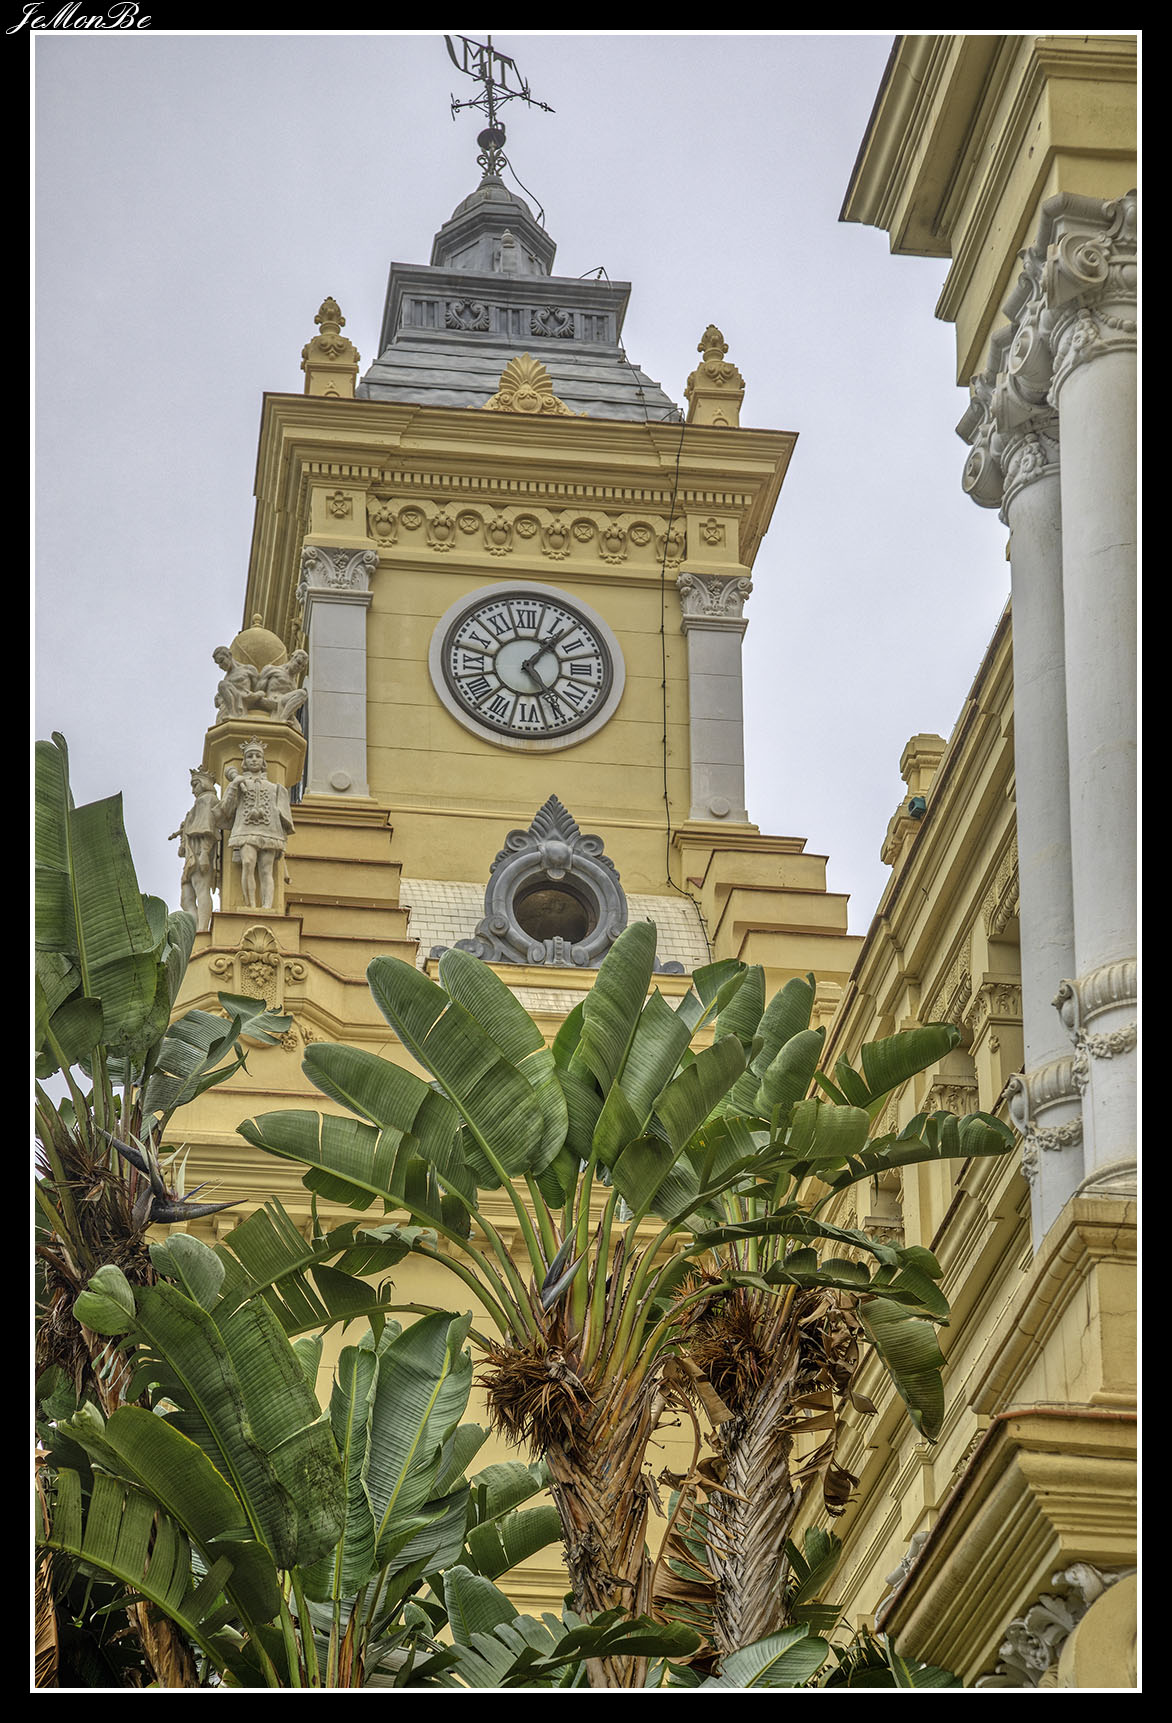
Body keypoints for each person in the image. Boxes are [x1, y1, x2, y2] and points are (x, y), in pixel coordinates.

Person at [217, 740, 293, 910]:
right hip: (246, 829)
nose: (254, 759)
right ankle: (250, 905)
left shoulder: (275, 788)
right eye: (250, 756)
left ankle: (266, 908)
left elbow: (283, 817)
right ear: (244, 761)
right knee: (247, 862)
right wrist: (234, 784)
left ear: (263, 761)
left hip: (269, 831)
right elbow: (226, 809)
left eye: (258, 756)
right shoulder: (239, 784)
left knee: (266, 869)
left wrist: (283, 838)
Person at [169, 767, 221, 931]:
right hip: (192, 853)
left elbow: (208, 827)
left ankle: (202, 928)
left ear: (204, 783)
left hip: (201, 852)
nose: (193, 790)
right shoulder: (199, 803)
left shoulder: (207, 800)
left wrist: (205, 853)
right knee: (186, 899)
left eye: (195, 784)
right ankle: (195, 930)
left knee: (201, 889)